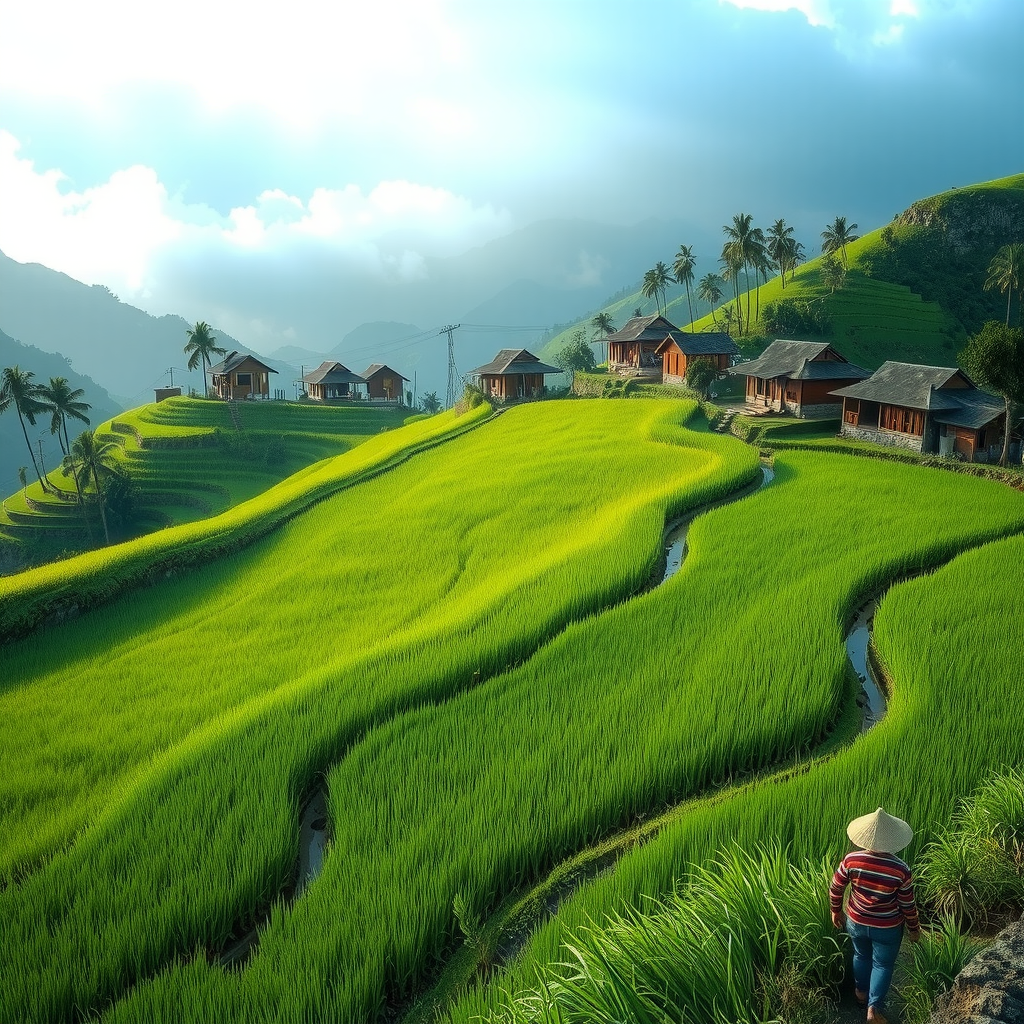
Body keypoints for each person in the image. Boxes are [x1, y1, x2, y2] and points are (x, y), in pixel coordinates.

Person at [830, 807, 922, 1023]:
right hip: (887, 927)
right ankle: (873, 1009)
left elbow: (836, 887)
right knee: (882, 965)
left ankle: (860, 995)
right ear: (893, 840)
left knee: (860, 956)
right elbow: (907, 904)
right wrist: (914, 928)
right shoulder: (900, 869)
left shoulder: (851, 859)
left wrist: (835, 910)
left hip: (857, 921)